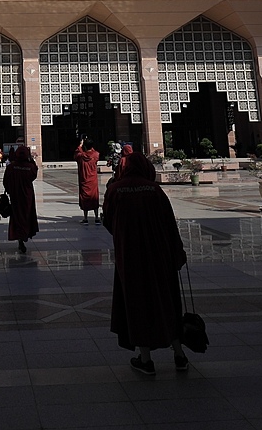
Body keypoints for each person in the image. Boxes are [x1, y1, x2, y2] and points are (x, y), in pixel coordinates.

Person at [102, 151, 188, 376]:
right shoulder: (155, 190)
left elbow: (108, 221)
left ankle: (146, 359)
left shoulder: (116, 190)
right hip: (160, 255)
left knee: (136, 301)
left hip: (130, 256)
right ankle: (179, 354)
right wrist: (177, 252)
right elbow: (170, 224)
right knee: (166, 299)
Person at [2, 144, 39, 254]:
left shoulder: (11, 167)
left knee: (17, 217)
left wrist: (10, 190)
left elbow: (5, 182)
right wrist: (31, 160)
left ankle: (19, 237)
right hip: (27, 197)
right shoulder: (30, 168)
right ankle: (25, 235)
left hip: (15, 197)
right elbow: (34, 174)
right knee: (27, 216)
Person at [75, 138, 101, 224]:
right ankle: (96, 218)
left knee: (85, 198)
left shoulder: (81, 156)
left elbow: (76, 154)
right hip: (93, 180)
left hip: (84, 180)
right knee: (94, 198)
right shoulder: (96, 155)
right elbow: (93, 152)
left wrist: (80, 145)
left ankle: (85, 218)